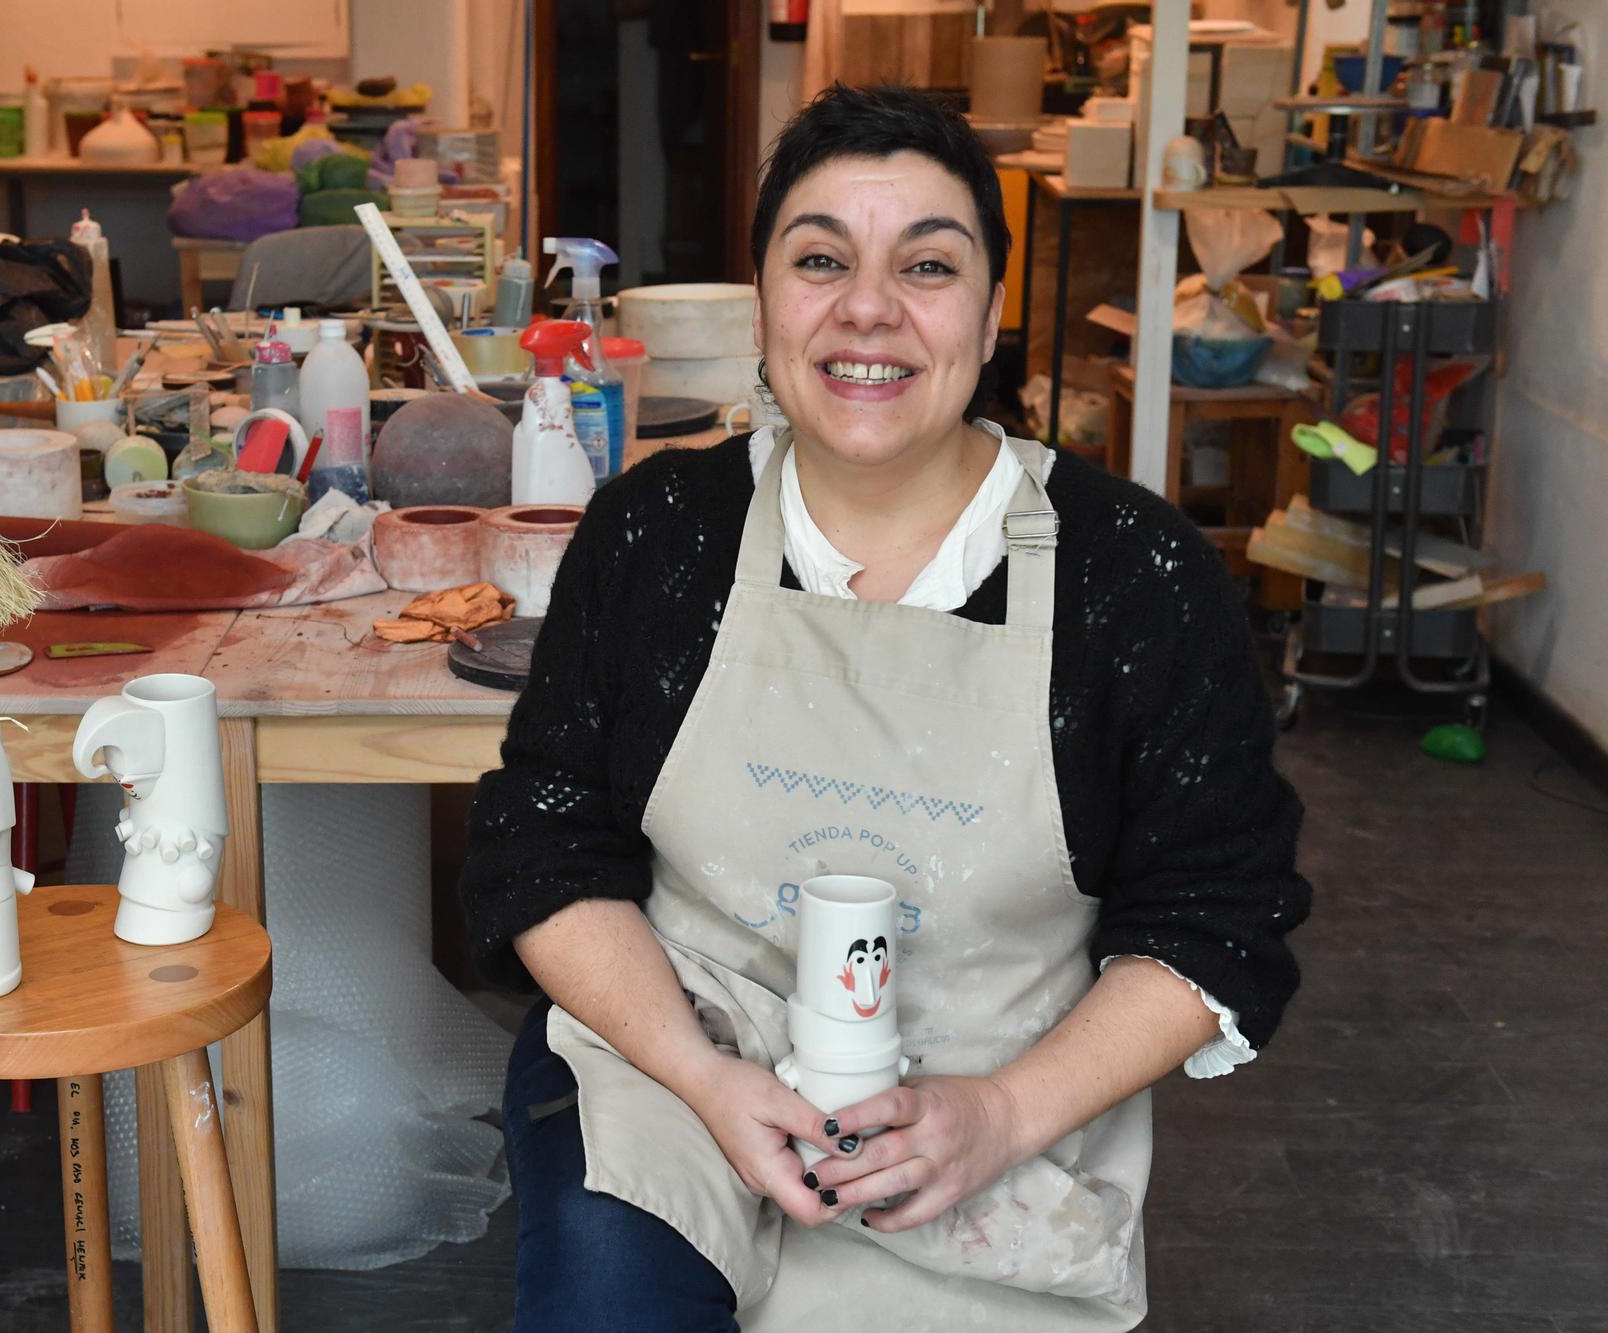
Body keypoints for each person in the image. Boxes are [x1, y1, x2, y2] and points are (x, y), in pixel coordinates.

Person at [459, 83, 1310, 1332]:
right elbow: (540, 846)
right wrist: (698, 1075)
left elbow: (1215, 916)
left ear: (990, 312)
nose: (867, 308)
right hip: (682, 1069)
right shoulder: (656, 535)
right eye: (819, 260)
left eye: (926, 264)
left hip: (986, 1098)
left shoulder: (1135, 576)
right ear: (763, 298)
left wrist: (1003, 1114)